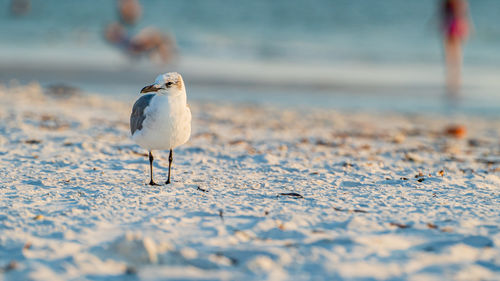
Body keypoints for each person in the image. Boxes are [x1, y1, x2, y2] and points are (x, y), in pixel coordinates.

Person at [440, 0, 470, 95]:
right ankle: (456, 77)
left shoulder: (447, 2)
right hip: (457, 24)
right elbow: (464, 14)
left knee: (449, 52)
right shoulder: (460, 2)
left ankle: (451, 76)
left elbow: (442, 15)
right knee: (457, 52)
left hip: (449, 25)